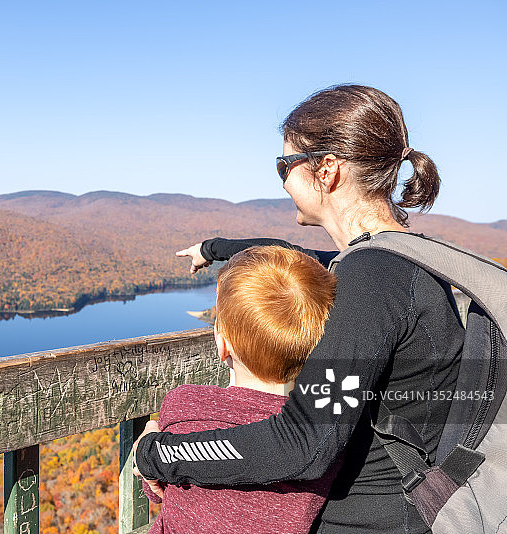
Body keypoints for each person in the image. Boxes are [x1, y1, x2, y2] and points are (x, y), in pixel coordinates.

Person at [133, 84, 464, 533]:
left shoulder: (371, 283)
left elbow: (302, 443)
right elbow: (288, 253)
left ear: (326, 170)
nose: (283, 179)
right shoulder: (397, 260)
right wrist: (213, 249)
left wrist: (160, 454)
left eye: (284, 165)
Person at [142, 246, 338, 534]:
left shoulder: (185, 404)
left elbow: (157, 490)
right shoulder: (325, 429)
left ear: (223, 344)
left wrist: (153, 436)